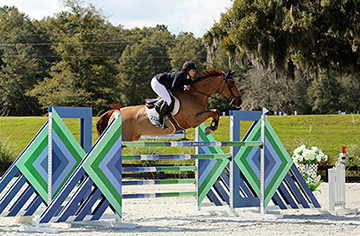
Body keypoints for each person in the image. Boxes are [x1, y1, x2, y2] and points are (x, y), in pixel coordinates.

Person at [151, 61, 197, 129]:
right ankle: (160, 121)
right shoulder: (180, 75)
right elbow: (173, 88)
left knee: (169, 99)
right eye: (193, 70)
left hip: (163, 84)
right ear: (187, 70)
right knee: (168, 101)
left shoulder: (188, 78)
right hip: (157, 82)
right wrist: (184, 87)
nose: (194, 72)